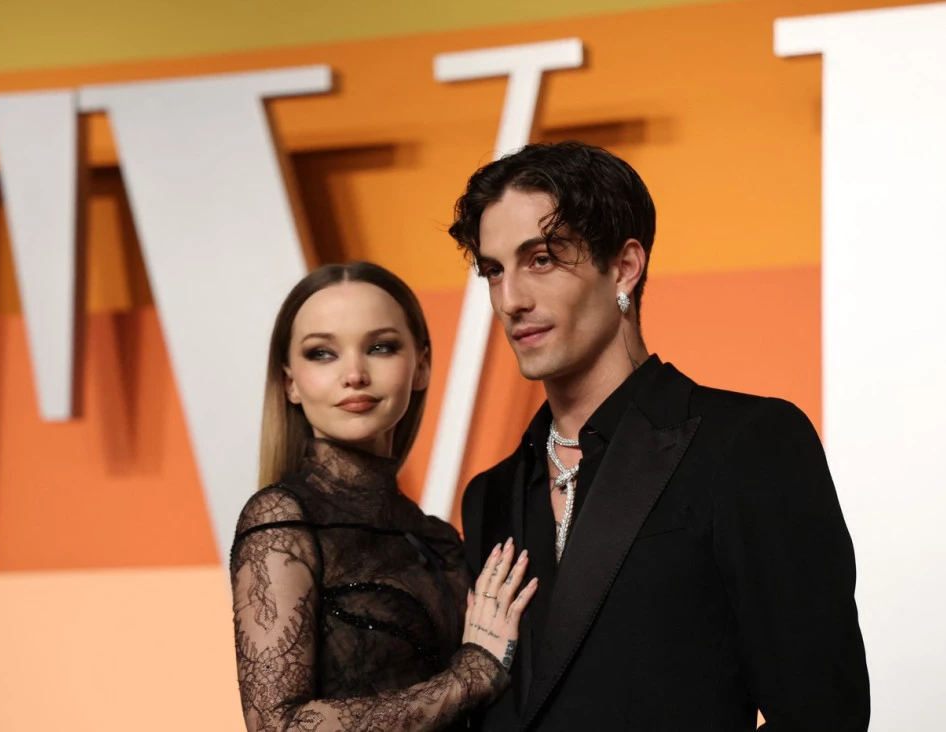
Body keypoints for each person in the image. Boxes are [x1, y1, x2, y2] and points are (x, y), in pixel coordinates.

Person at [449, 142, 870, 731]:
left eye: (541, 259)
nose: (511, 300)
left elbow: (823, 714)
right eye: (494, 270)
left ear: (624, 267)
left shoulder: (747, 445)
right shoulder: (489, 494)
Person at [229, 262, 539, 731]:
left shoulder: (438, 538)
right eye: (322, 353)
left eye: (380, 347)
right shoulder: (281, 519)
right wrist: (469, 678)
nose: (355, 374)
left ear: (422, 366)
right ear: (290, 382)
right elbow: (278, 726)